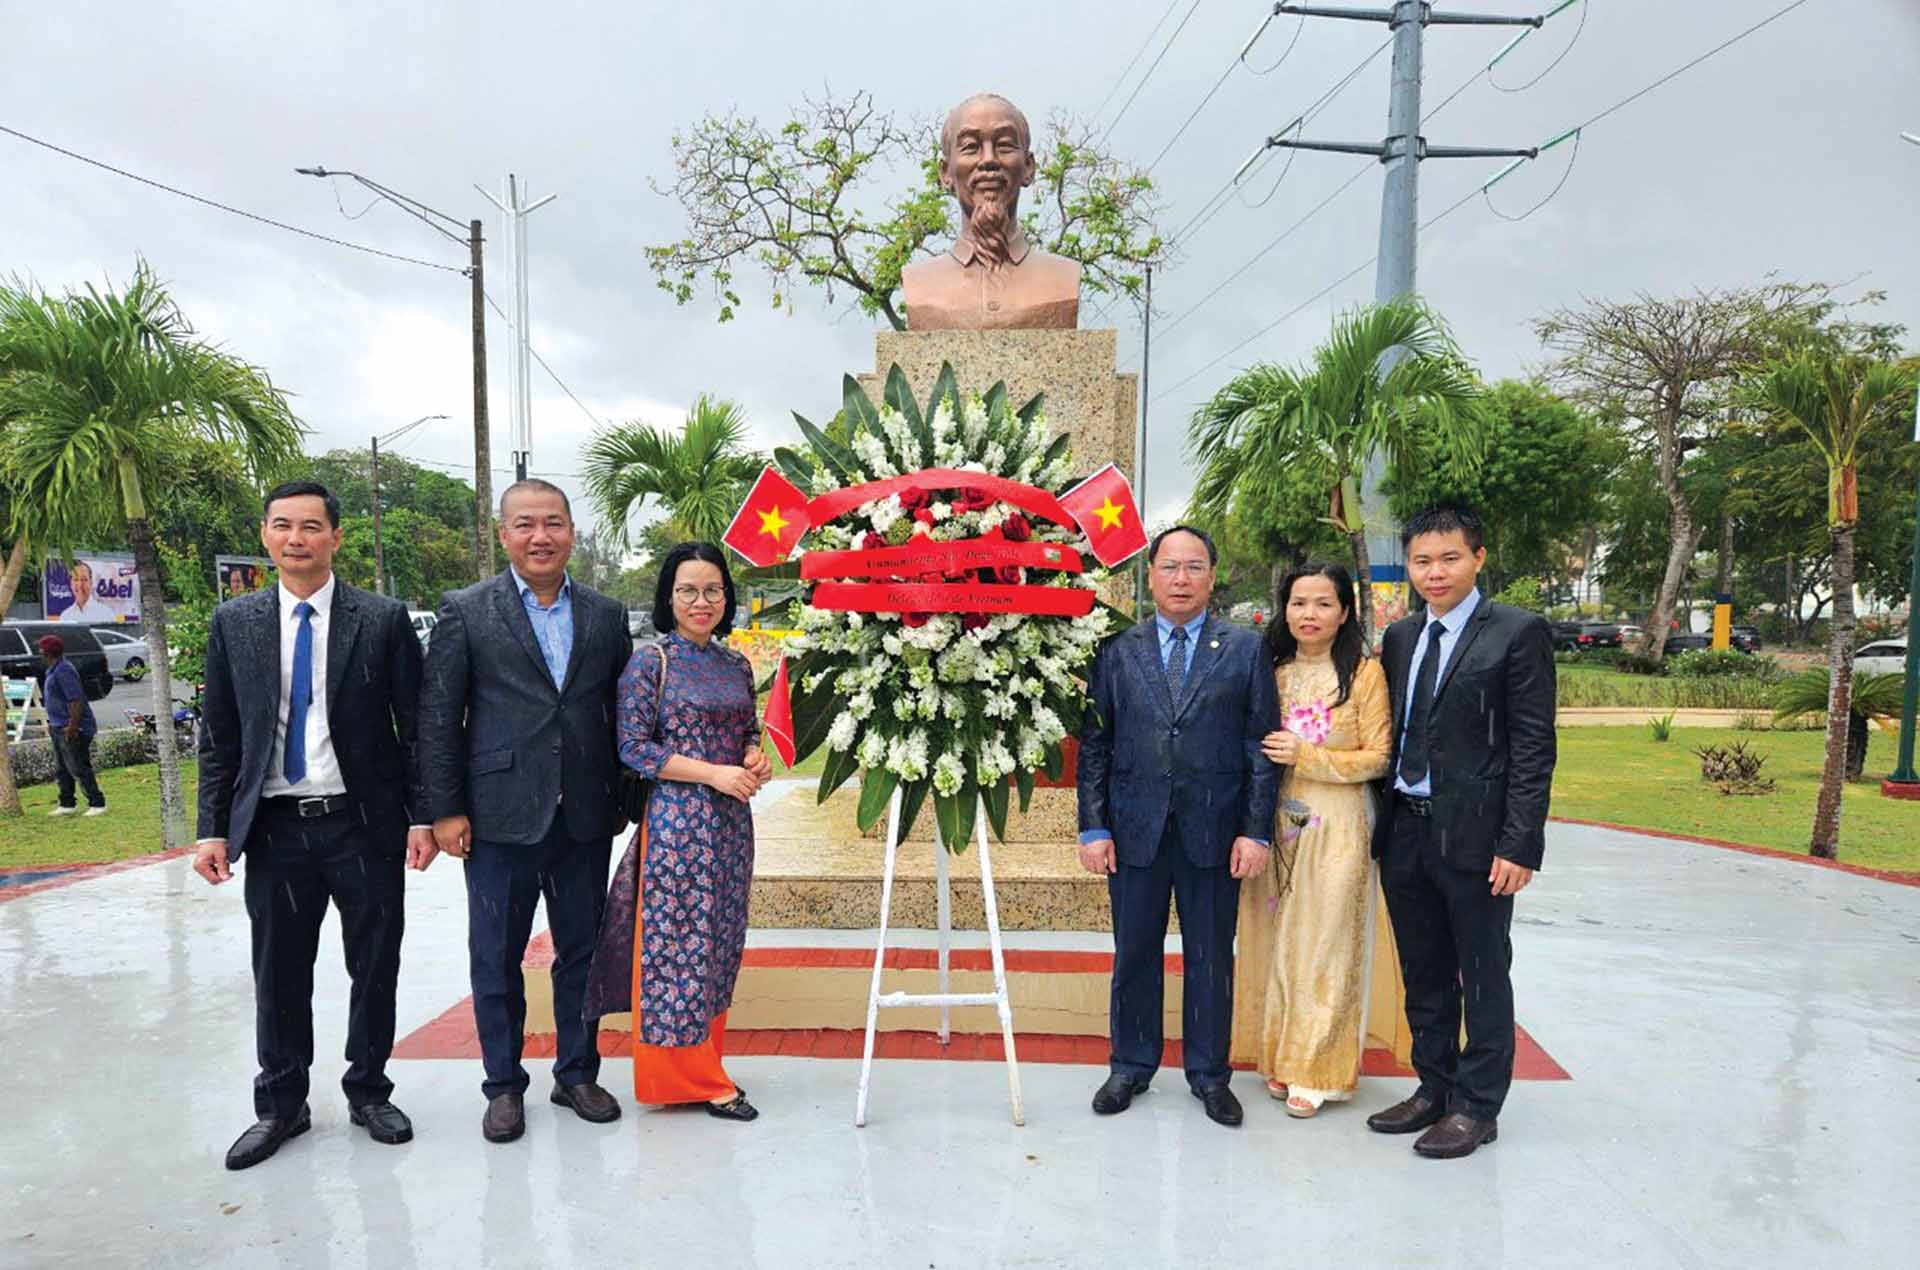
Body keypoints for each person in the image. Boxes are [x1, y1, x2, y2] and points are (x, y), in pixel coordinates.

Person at [191, 480, 438, 1171]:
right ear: (266, 535)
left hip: (363, 825)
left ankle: (368, 1090)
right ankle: (281, 1105)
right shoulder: (233, 623)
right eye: (282, 526)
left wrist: (422, 815)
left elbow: (414, 728)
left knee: (375, 964)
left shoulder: (381, 619)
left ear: (335, 536)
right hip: (274, 831)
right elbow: (220, 736)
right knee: (278, 971)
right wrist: (214, 828)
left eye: (310, 527)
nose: (295, 539)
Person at [420, 478, 634, 1144]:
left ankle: (576, 1074)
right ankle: (503, 1086)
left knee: (581, 954)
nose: (540, 536)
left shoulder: (605, 613)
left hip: (584, 819)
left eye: (553, 523)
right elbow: (437, 716)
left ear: (571, 531)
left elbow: (620, 714)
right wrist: (445, 810)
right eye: (525, 525)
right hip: (496, 818)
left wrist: (627, 799)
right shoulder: (465, 609)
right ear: (503, 533)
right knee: (495, 956)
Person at [1367, 503, 1556, 1159]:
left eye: (1449, 558)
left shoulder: (1517, 632)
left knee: (1482, 974)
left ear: (1478, 557)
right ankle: (1434, 1087)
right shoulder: (1399, 638)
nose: (1434, 571)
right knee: (1423, 971)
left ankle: (1478, 1106)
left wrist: (1519, 842)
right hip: (1406, 833)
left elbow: (1534, 747)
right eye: (1422, 560)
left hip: (1479, 842)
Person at [1076, 525, 1280, 1128]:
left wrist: (1256, 829)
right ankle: (1130, 1066)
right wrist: (1094, 827)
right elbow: (1097, 745)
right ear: (1151, 576)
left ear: (1212, 576)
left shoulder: (1244, 650)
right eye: (1169, 567)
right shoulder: (1116, 651)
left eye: (1194, 567)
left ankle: (1209, 1075)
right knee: (1134, 952)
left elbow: (1258, 746)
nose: (1181, 579)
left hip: (1215, 834)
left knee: (1211, 956)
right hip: (1134, 830)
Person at [583, 542, 772, 1121]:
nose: (701, 601)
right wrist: (715, 773)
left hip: (731, 826)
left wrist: (751, 756)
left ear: (726, 597)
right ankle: (686, 1077)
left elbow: (748, 728)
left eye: (712, 590)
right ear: (669, 597)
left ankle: (707, 1059)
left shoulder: (735, 664)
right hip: (677, 825)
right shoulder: (651, 662)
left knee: (718, 943)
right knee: (678, 948)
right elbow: (633, 747)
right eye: (688, 590)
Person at [1230, 564, 1396, 1117]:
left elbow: (1379, 757)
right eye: (1299, 603)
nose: (1309, 614)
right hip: (1278, 821)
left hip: (1339, 819)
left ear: (1344, 612)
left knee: (1328, 941)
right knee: (1280, 937)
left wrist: (1311, 757)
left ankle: (1319, 1068)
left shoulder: (1365, 674)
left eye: (1323, 603)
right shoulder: (1270, 671)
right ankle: (1281, 1056)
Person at [38, 635, 106, 817]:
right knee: (63, 767)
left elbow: (75, 700)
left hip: (73, 727)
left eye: (41, 649)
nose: (39, 652)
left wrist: (73, 726)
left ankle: (97, 803)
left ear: (47, 652)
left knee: (78, 766)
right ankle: (67, 803)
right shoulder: (53, 669)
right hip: (57, 725)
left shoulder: (64, 670)